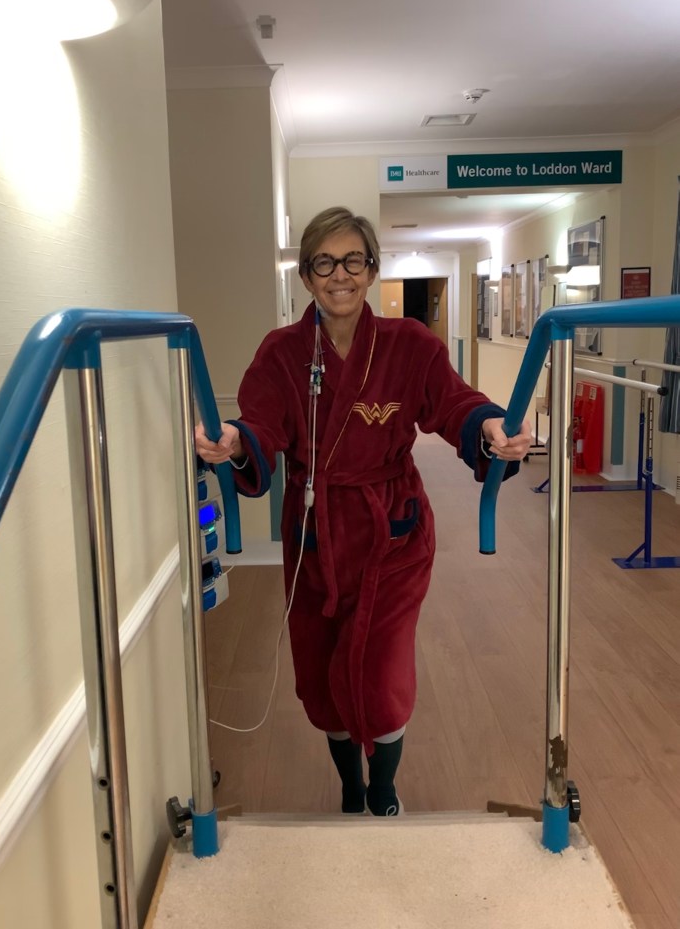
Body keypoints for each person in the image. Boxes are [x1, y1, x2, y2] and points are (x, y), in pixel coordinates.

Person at [195, 206, 530, 817]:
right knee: (323, 675)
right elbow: (261, 422)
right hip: (314, 537)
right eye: (324, 263)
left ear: (372, 269)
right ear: (306, 276)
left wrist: (490, 428)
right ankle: (351, 787)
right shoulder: (281, 352)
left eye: (353, 260)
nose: (340, 275)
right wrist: (238, 441)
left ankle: (383, 788)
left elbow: (455, 403)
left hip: (392, 533)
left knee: (379, 675)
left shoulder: (409, 345)